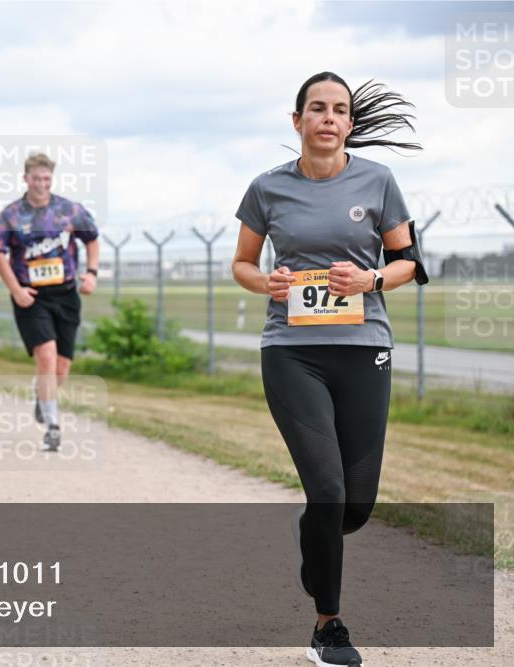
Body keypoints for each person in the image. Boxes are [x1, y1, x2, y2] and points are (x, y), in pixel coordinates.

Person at [231, 72, 427, 667]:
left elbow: (408, 262)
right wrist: (266, 283)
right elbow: (242, 264)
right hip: (291, 351)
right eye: (317, 108)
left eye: (339, 109)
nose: (329, 118)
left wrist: (370, 278)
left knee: (354, 507)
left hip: (364, 347)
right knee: (328, 491)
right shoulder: (267, 188)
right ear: (298, 121)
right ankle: (328, 627)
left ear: (349, 123)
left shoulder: (379, 180)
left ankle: (317, 541)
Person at [0, 152, 100, 452]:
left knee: (61, 367)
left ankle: (42, 395)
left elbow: (92, 238)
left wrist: (91, 273)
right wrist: (15, 289)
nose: (41, 184)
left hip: (65, 293)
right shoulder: (11, 215)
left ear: (52, 179)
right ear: (26, 179)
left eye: (46, 178)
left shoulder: (69, 210)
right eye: (36, 178)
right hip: (31, 296)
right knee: (46, 356)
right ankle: (53, 426)